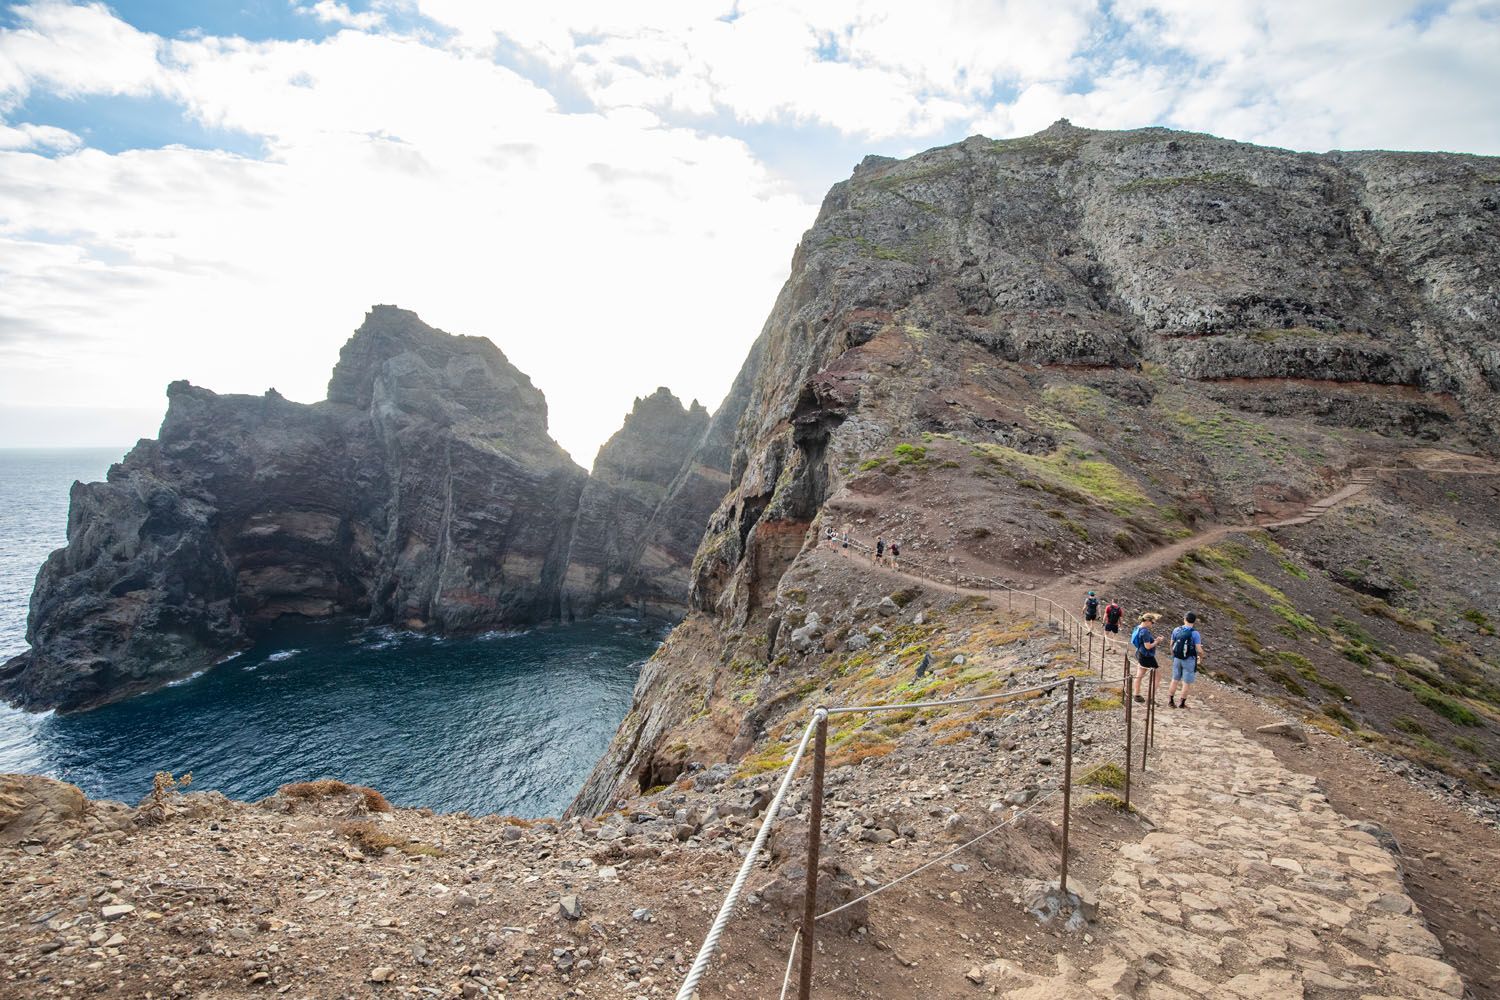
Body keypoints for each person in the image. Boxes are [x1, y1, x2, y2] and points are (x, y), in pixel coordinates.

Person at [1167, 612, 1204, 709]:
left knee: (1175, 680)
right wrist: (1201, 657)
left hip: (1177, 658)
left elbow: (1171, 645)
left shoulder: (1176, 630)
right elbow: (1199, 649)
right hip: (1189, 660)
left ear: (1184, 619)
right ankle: (1182, 703)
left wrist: (1173, 656)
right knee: (1186, 683)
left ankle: (1170, 701)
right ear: (1194, 621)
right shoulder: (1195, 633)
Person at [1129, 613, 1160, 703]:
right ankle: (1150, 698)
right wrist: (1157, 641)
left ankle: (1136, 695)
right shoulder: (1145, 631)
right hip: (1147, 656)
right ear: (1147, 621)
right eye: (1152, 622)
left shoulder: (1138, 627)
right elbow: (1148, 646)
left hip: (1140, 653)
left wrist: (1154, 641)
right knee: (1157, 676)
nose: (1152, 624)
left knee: (1139, 675)